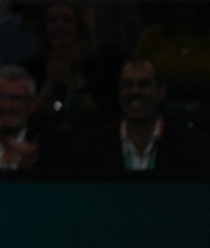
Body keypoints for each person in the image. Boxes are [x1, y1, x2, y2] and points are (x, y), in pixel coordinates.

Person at [72, 58, 205, 171]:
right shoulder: (92, 148)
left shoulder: (191, 147)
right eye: (127, 85)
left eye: (144, 84)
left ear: (161, 92)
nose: (135, 92)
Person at [22, 2, 121, 115]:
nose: (59, 25)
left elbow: (102, 113)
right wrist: (51, 80)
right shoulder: (32, 68)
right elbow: (28, 114)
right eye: (52, 20)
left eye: (66, 20)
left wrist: (75, 74)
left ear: (78, 26)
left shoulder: (99, 66)